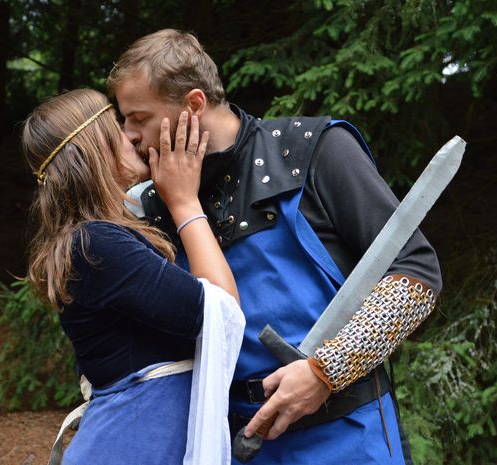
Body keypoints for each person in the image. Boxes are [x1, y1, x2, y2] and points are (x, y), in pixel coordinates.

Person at [108, 29, 442, 464]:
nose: (129, 134)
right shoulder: (155, 208)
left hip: (350, 438)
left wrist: (325, 371)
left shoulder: (313, 150)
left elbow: (416, 271)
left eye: (138, 118)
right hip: (235, 446)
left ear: (193, 105)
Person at [22, 88, 244, 465]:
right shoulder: (95, 244)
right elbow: (223, 313)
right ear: (97, 148)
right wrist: (185, 202)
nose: (130, 136)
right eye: (116, 127)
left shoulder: (92, 239)